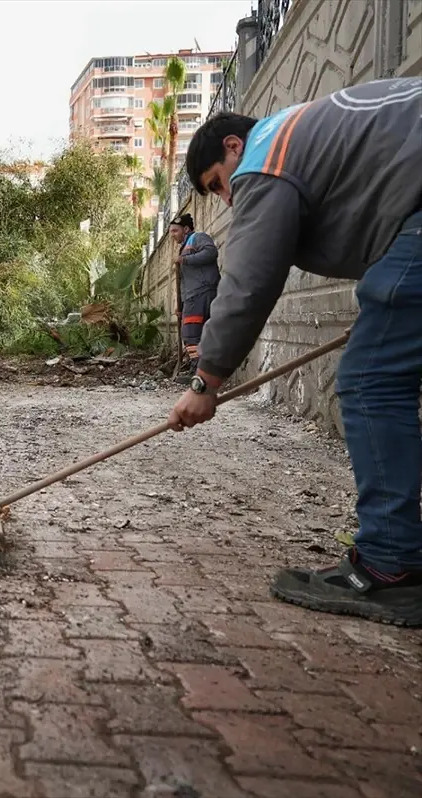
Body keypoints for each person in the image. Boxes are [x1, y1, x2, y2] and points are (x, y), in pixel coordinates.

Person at [169, 77, 422, 626]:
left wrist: (205, 382)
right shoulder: (307, 133)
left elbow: (249, 284)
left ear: (233, 147)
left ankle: (390, 568)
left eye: (218, 184)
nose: (228, 199)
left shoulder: (264, 157)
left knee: (369, 381)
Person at [168, 212, 220, 382]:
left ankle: (197, 372)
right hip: (193, 296)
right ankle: (203, 371)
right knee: (199, 333)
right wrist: (181, 306)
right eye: (171, 232)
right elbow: (184, 282)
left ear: (186, 229)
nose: (173, 235)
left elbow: (211, 253)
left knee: (190, 333)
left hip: (202, 292)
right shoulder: (184, 247)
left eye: (175, 231)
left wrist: (185, 260)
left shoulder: (198, 238)